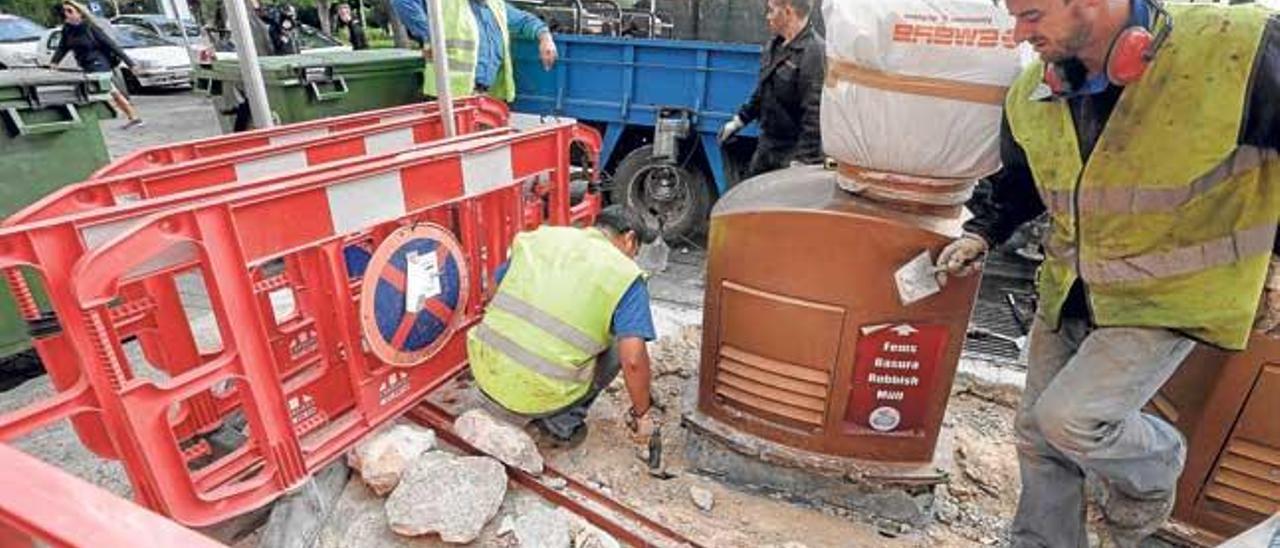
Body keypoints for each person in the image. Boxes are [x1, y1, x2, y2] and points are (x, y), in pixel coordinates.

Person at [935, 0, 1280, 546]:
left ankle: (1155, 469)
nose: (1017, 36)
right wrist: (982, 232)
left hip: (1171, 293)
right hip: (1071, 286)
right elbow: (1021, 181)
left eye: (1031, 16)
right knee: (1038, 437)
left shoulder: (1233, 48)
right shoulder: (1034, 94)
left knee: (1072, 420)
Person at [467, 206, 660, 448]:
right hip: (539, 396)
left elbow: (493, 291)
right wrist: (643, 415)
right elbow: (633, 360)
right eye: (636, 251)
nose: (633, 258)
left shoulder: (541, 238)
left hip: (485, 371)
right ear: (630, 239)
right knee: (618, 347)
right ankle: (560, 425)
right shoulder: (624, 274)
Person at [717, 0, 824, 177]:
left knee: (777, 204)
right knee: (747, 197)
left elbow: (814, 114)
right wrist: (739, 120)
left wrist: (804, 161)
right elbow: (763, 90)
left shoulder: (813, 53)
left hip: (793, 153)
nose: (768, 17)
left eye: (772, 11)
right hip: (768, 145)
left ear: (788, 11)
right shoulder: (774, 46)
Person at [389, 0, 558, 102]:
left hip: (485, 96)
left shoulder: (495, 5)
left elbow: (525, 21)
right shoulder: (446, 4)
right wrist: (429, 34)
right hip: (450, 97)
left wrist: (545, 37)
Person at [48, 0, 143, 129]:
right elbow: (62, 47)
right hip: (86, 65)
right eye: (64, 11)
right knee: (112, 92)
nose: (66, 14)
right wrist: (54, 62)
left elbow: (112, 45)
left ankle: (124, 117)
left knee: (99, 90)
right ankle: (133, 117)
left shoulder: (90, 28)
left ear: (79, 13)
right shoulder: (67, 30)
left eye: (70, 11)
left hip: (99, 64)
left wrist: (131, 64)